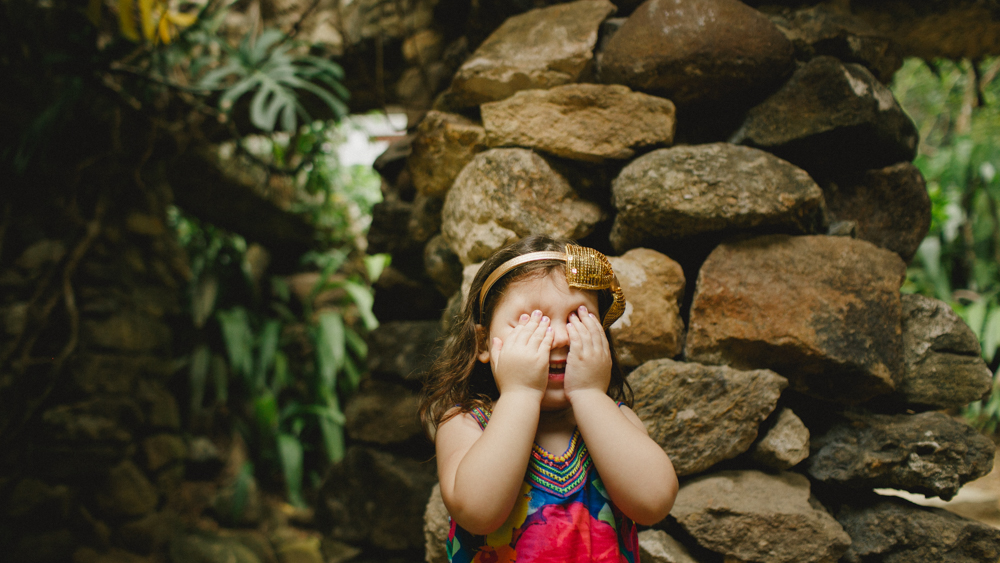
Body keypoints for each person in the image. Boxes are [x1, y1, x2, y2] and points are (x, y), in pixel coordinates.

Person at [420, 234, 678, 563]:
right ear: (484, 343)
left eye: (578, 320)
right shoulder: (465, 424)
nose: (559, 337)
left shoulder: (616, 419)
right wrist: (520, 393)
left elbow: (653, 503)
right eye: (532, 321)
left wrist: (588, 394)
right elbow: (478, 511)